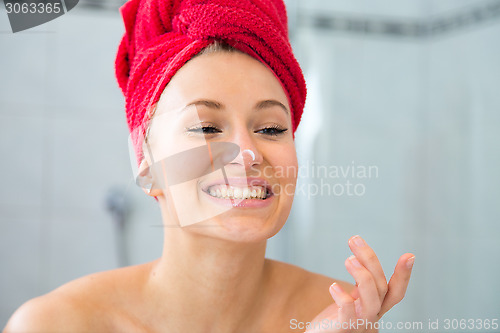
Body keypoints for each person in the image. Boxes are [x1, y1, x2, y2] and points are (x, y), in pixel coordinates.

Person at [3, 0, 414, 332]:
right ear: (146, 162)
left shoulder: (339, 315)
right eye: (206, 127)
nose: (247, 153)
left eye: (271, 128)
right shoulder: (57, 325)